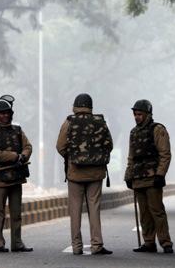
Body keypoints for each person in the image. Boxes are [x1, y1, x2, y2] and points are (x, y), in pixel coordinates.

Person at [56, 93, 113, 255]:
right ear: (90, 106)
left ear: (75, 106)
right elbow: (109, 145)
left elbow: (60, 146)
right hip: (96, 173)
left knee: (75, 210)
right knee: (94, 208)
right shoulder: (100, 122)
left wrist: (72, 157)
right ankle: (97, 245)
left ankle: (77, 246)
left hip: (75, 173)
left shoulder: (69, 122)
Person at [0, 95, 33, 253]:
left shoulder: (18, 130)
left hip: (16, 178)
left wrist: (23, 156)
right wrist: (14, 156)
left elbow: (28, 146)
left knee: (17, 213)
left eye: (7, 113)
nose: (5, 115)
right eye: (2, 113)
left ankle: (17, 243)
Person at [124, 99, 173, 254]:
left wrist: (160, 174)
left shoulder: (157, 129)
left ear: (147, 114)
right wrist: (128, 176)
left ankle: (166, 243)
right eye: (135, 114)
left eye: (139, 114)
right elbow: (131, 157)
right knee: (144, 213)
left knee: (157, 211)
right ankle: (149, 243)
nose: (137, 117)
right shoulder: (133, 132)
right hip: (138, 177)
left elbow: (165, 154)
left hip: (153, 177)